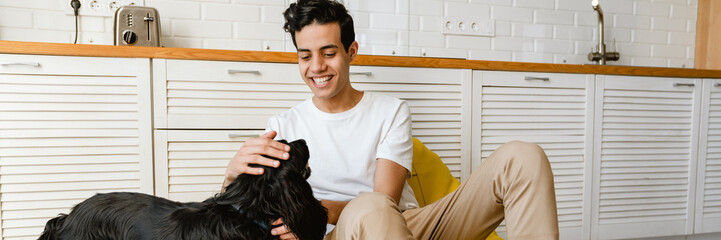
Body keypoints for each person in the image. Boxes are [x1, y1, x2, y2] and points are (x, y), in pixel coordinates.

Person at [223, 0, 559, 239]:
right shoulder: (284, 124)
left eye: (328, 53)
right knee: (368, 207)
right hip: (340, 235)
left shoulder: (391, 111)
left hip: (411, 226)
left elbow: (387, 199)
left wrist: (313, 210)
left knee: (524, 156)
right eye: (305, 56)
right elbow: (243, 210)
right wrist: (231, 174)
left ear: (351, 52)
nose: (317, 68)